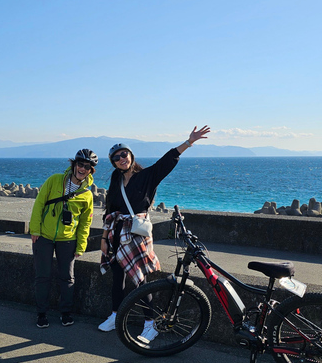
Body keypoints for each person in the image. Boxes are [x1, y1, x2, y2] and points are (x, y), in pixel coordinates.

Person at [98, 125, 211, 339]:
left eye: (124, 154)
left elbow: (166, 162)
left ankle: (150, 324)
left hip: (137, 233)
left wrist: (188, 142)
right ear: (113, 162)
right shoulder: (116, 179)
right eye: (117, 157)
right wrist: (104, 237)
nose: (122, 159)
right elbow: (110, 209)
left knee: (140, 280)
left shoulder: (147, 176)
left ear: (131, 155)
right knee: (117, 277)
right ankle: (115, 315)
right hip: (116, 232)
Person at [30, 149, 98, 328]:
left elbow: (85, 222)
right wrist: (34, 230)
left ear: (91, 171)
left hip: (68, 239)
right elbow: (39, 204)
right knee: (42, 276)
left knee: (67, 277)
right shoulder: (54, 180)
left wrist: (81, 245)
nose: (83, 169)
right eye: (80, 164)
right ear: (74, 164)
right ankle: (41, 313)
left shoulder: (87, 195)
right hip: (44, 235)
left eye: (87, 167)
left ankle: (65, 312)